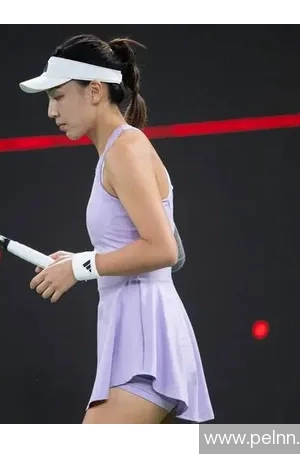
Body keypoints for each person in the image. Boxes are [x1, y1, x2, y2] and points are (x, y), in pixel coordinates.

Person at [20, 34, 214, 424]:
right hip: (137, 335)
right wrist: (81, 259)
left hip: (146, 342)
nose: (51, 111)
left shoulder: (125, 149)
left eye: (59, 96)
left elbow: (164, 250)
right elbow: (167, 249)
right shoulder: (120, 150)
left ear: (94, 91)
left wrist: (80, 268)